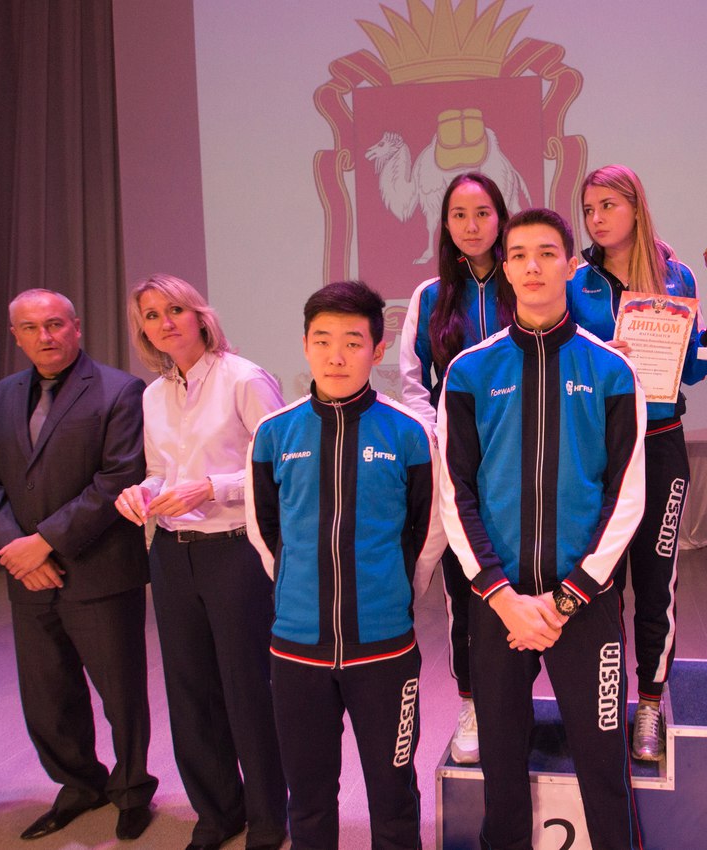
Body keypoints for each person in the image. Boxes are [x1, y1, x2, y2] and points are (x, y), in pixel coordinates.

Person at [438, 208, 647, 849]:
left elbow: (627, 495)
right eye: (520, 254)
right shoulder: (470, 371)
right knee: (501, 776)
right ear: (504, 268)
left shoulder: (612, 370)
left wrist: (567, 598)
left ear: (570, 265)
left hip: (583, 604)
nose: (532, 266)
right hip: (499, 607)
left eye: (547, 253)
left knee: (605, 772)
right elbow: (455, 492)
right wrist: (501, 596)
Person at [249, 281, 444, 850]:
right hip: (296, 650)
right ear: (305, 345)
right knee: (308, 799)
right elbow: (265, 530)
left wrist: (395, 591)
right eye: (322, 340)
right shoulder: (274, 432)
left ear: (377, 350)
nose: (336, 356)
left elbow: (428, 529)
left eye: (353, 342)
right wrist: (298, 587)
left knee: (393, 794)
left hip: (384, 650)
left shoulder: (408, 433)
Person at [0, 288, 158, 841]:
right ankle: (79, 785)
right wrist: (17, 549)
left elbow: (117, 477)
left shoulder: (120, 390)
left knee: (120, 695)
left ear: (76, 327)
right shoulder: (0, 396)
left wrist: (44, 543)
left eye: (54, 324)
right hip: (28, 576)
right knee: (47, 697)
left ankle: (131, 790)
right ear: (15, 336)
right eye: (31, 328)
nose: (44, 336)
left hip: (99, 570)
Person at [567, 164, 707, 761]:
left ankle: (648, 704)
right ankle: (604, 699)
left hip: (661, 443)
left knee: (657, 577)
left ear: (636, 207)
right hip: (598, 450)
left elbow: (691, 372)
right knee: (601, 579)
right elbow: (562, 365)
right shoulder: (576, 282)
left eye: (608, 206)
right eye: (589, 210)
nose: (596, 219)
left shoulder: (677, 275)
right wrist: (601, 359)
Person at [115, 274, 286, 850]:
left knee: (247, 688)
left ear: (200, 315)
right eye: (151, 315)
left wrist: (212, 487)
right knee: (189, 691)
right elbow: (159, 471)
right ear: (142, 329)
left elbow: (277, 465)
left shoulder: (244, 378)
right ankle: (216, 814)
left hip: (234, 551)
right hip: (170, 553)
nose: (164, 322)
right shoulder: (152, 395)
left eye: (174, 309)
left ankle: (269, 817)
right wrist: (141, 492)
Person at [399, 171, 513, 764]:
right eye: (459, 215)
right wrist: (444, 440)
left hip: (522, 459)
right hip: (457, 464)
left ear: (501, 217)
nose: (472, 226)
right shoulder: (429, 296)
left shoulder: (526, 279)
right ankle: (470, 704)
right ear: (444, 224)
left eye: (483, 213)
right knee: (465, 592)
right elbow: (413, 384)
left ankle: (524, 702)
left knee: (526, 581)